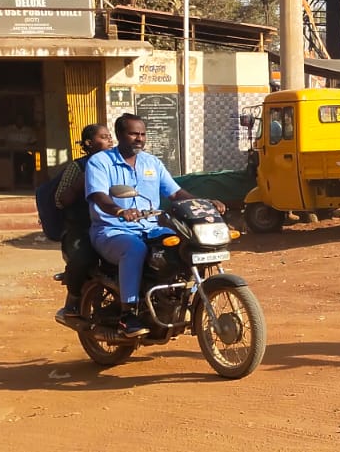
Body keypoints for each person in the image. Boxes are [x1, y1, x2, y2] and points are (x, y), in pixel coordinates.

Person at [86, 113, 223, 337]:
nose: (139, 138)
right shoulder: (100, 162)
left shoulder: (152, 162)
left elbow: (176, 192)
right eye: (133, 133)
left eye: (142, 134)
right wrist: (120, 211)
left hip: (151, 228)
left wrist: (203, 203)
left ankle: (177, 298)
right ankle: (127, 314)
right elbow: (99, 195)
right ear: (120, 135)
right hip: (111, 230)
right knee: (135, 249)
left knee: (187, 242)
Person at [55, 123, 115, 321]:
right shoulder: (77, 166)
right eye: (104, 137)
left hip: (113, 225)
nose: (110, 140)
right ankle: (72, 301)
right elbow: (60, 200)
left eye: (110, 136)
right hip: (83, 228)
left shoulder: (116, 163)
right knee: (83, 257)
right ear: (89, 143)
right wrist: (79, 184)